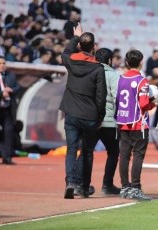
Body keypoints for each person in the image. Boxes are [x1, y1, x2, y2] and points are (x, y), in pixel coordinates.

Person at [59, 23, 107, 199]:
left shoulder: (71, 60)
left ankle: (70, 182)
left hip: (71, 112)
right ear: (93, 47)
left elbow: (64, 53)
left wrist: (75, 37)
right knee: (86, 152)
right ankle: (83, 187)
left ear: (79, 45)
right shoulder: (98, 68)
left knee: (71, 150)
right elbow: (101, 95)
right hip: (89, 115)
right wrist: (100, 116)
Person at [74, 48, 121, 196]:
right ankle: (107, 185)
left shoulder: (88, 73)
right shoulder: (114, 75)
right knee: (113, 152)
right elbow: (117, 98)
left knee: (85, 152)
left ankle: (78, 184)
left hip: (90, 119)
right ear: (109, 60)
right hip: (108, 122)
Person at [115, 49, 155, 201]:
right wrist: (153, 103)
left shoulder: (120, 79)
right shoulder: (142, 81)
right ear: (141, 62)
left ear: (126, 63)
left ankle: (125, 187)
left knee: (124, 156)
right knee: (138, 155)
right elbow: (144, 104)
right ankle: (136, 188)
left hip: (122, 122)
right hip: (138, 123)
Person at [0, 55, 21, 165]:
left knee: (8, 133)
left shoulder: (11, 75)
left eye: (4, 63)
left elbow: (18, 87)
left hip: (8, 109)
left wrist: (11, 90)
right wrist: (1, 93)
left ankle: (7, 157)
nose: (2, 65)